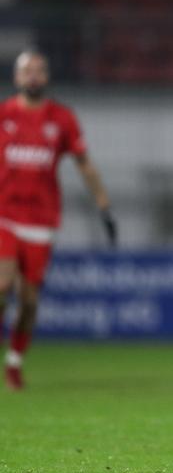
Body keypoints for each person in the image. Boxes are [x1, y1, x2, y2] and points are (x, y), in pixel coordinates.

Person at [1, 50, 116, 390]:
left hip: (41, 220)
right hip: (5, 214)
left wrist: (104, 205)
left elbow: (84, 164)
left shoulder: (62, 119)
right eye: (26, 70)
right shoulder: (3, 115)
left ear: (47, 77)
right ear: (16, 77)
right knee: (3, 285)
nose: (32, 76)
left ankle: (15, 361)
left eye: (38, 70)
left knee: (29, 301)